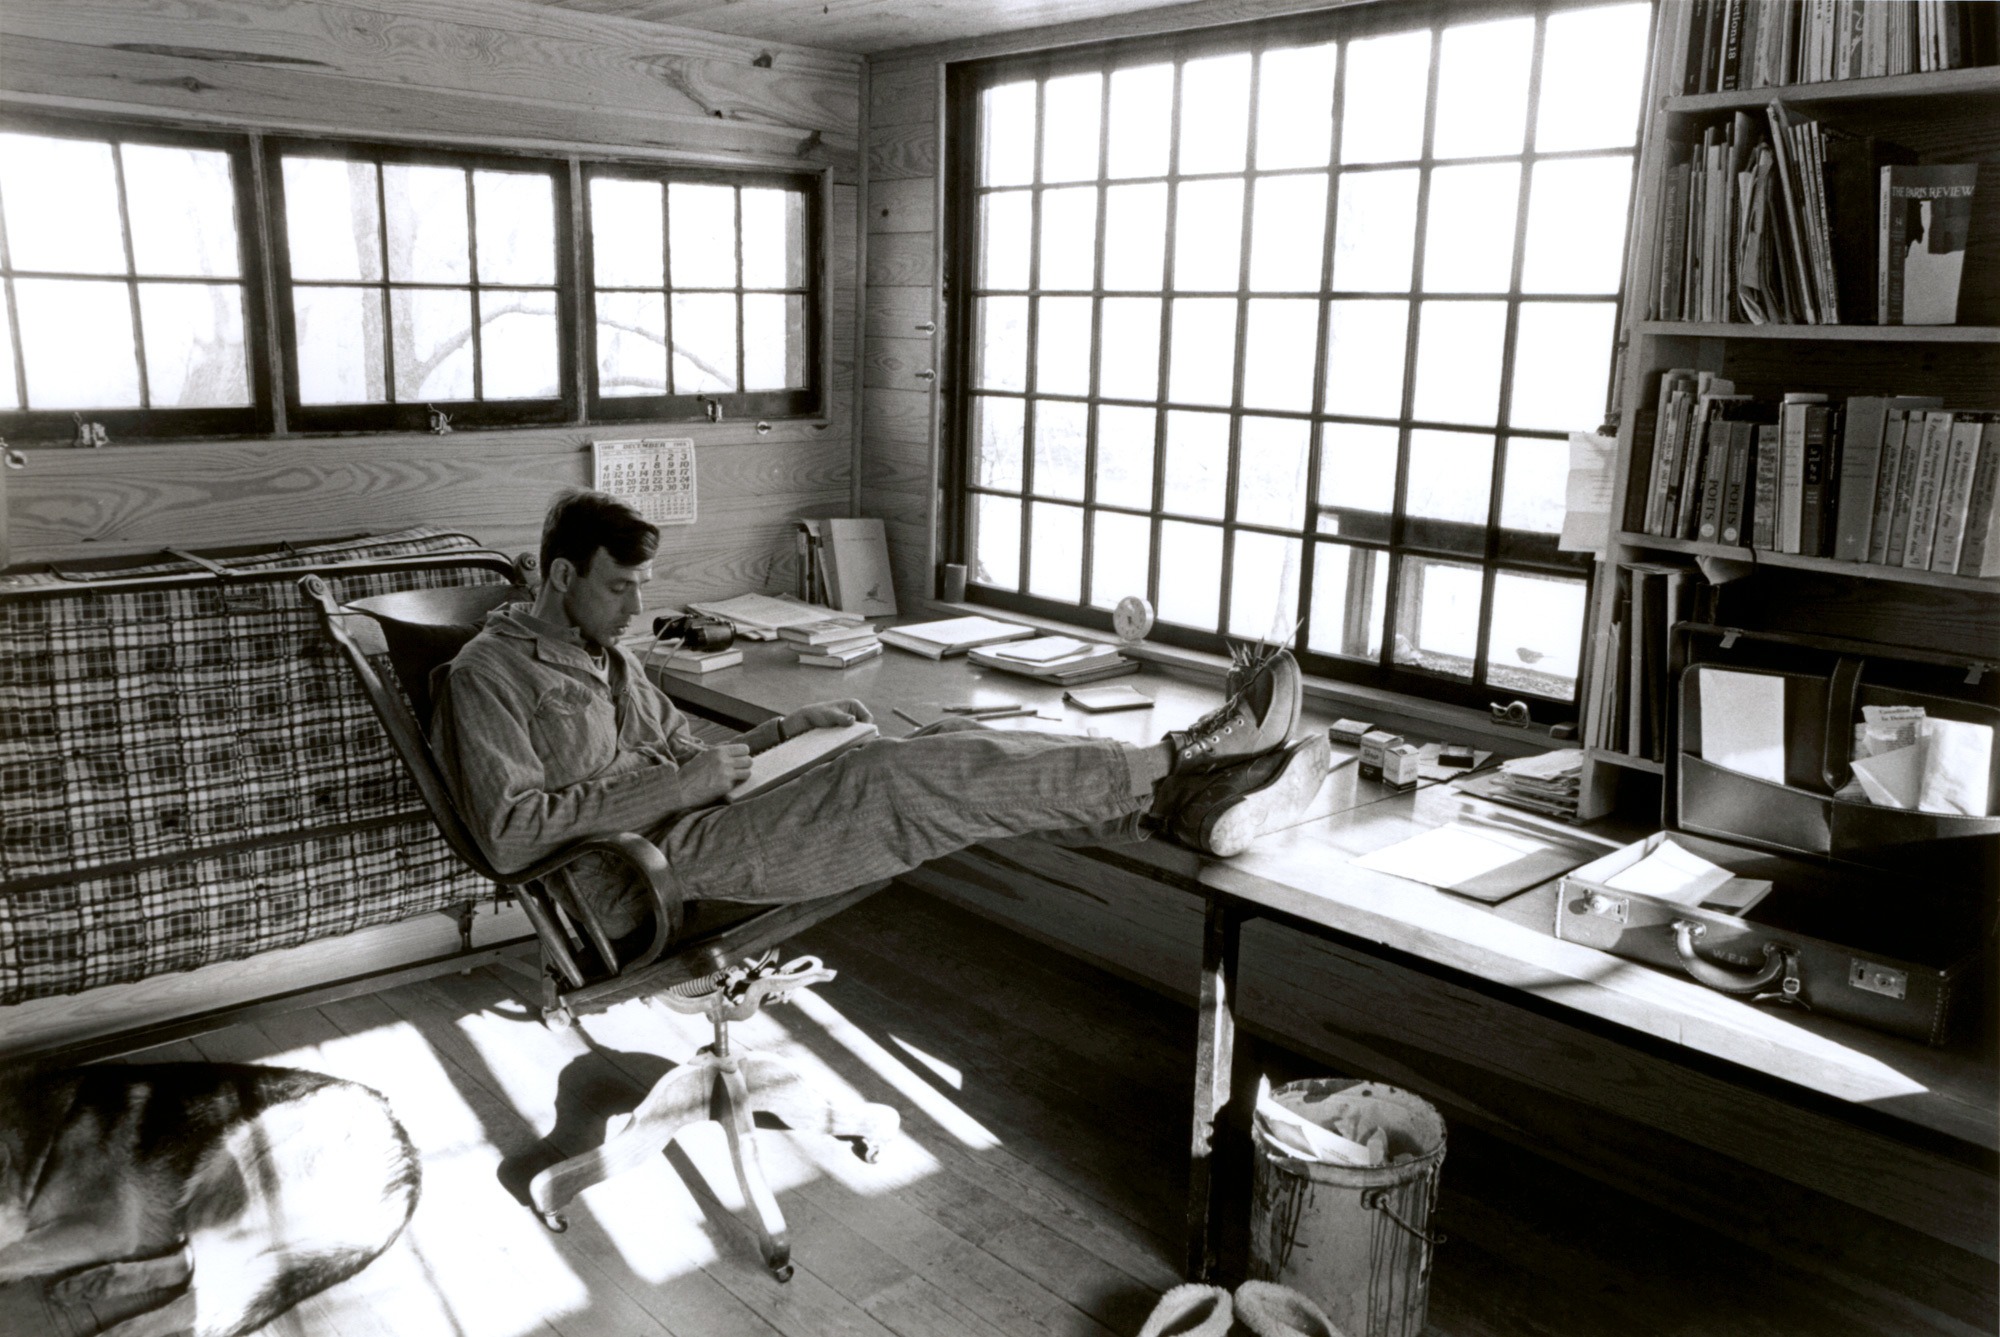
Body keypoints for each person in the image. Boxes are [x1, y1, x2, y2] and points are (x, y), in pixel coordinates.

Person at [431, 490, 1330, 944]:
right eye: (620, 588)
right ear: (560, 577)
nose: (636, 609)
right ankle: (1178, 763)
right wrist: (682, 782)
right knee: (899, 778)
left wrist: (785, 735)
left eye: (641, 587)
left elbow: (686, 752)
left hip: (696, 821)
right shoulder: (487, 677)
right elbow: (510, 836)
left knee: (941, 740)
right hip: (633, 877)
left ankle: (1178, 798)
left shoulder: (606, 653)